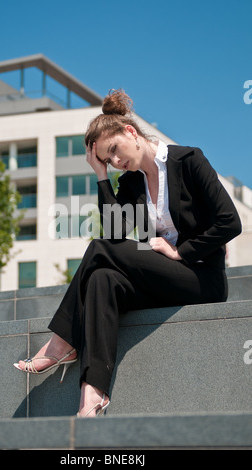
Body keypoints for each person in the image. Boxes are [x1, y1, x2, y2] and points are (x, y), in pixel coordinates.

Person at [14, 89, 242, 417]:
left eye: (115, 151)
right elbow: (116, 234)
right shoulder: (132, 181)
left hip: (202, 278)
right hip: (161, 280)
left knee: (99, 251)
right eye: (108, 159)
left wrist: (182, 252)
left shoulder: (188, 161)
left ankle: (63, 342)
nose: (116, 161)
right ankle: (92, 395)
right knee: (102, 279)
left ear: (131, 133)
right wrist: (101, 175)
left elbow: (229, 222)